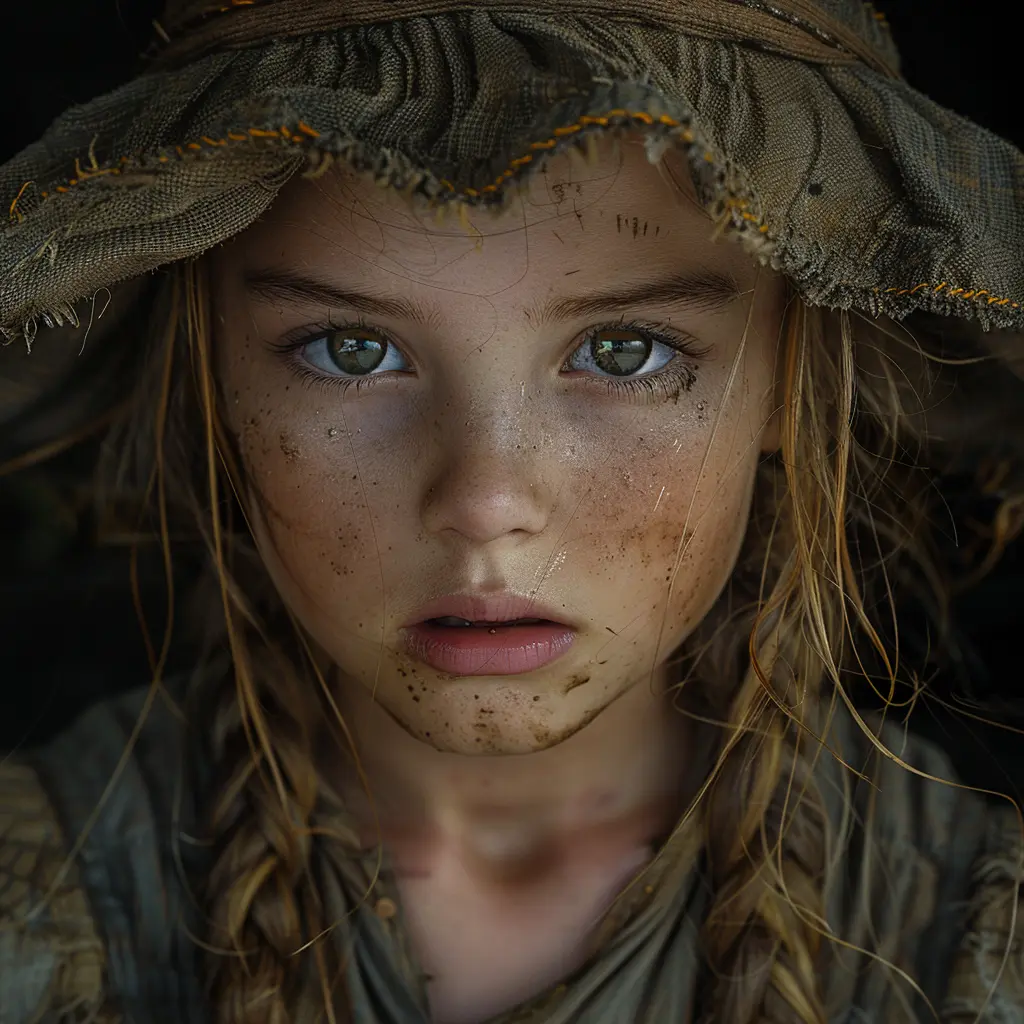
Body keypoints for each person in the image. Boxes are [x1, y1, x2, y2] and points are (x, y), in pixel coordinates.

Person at [2, 1, 1024, 1021]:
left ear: (788, 382)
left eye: (626, 350)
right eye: (350, 350)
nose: (485, 503)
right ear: (212, 370)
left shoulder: (973, 938)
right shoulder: (36, 897)